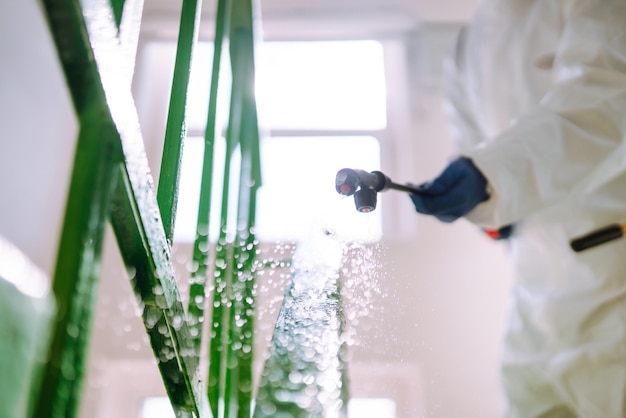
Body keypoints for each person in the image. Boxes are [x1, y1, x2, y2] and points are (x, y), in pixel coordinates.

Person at [408, 0, 626, 416]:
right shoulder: (468, 41)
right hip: (532, 288)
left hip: (612, 271)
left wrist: (491, 176)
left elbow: (600, 106)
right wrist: (480, 204)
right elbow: (471, 143)